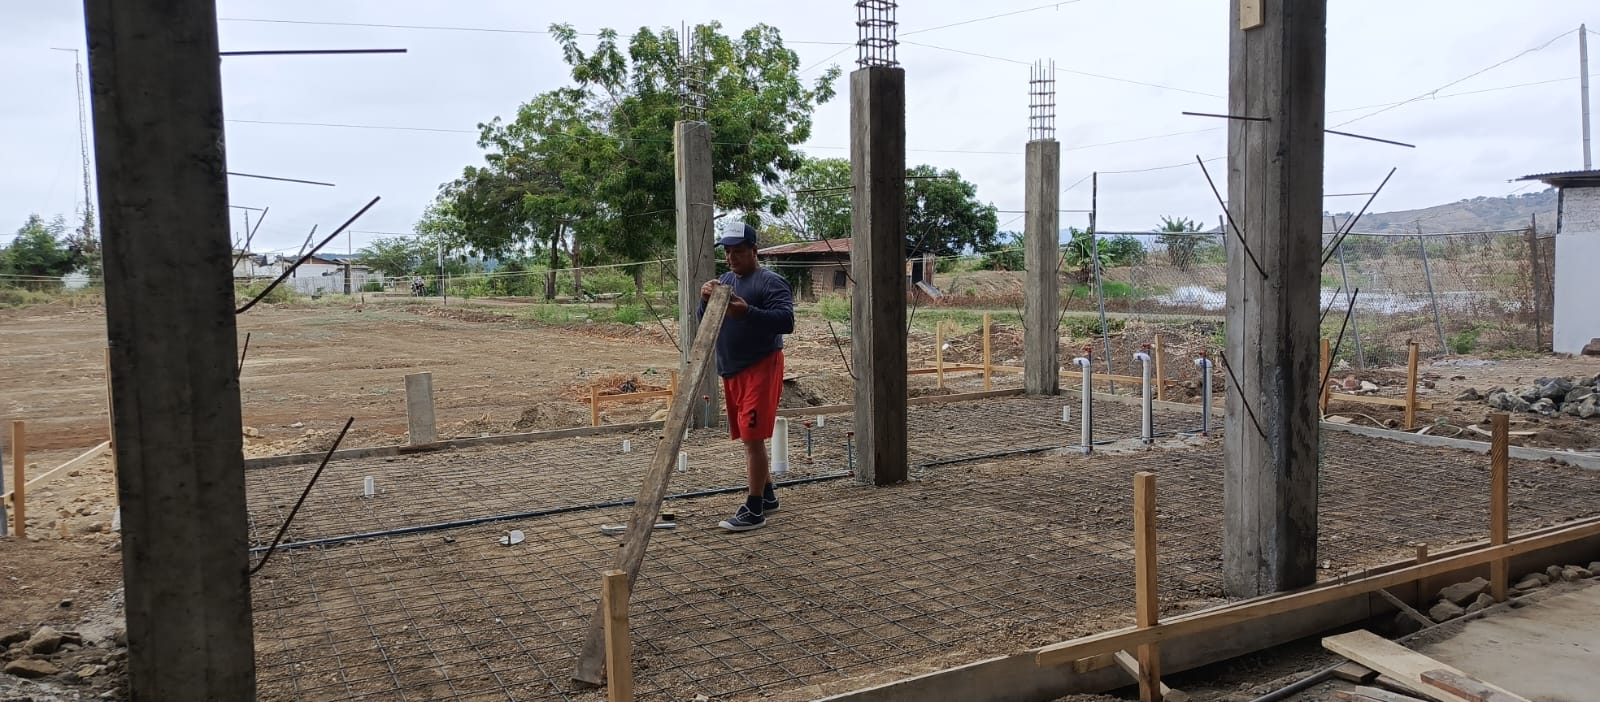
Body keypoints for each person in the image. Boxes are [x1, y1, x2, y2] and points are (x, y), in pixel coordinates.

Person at [699, 221, 795, 531]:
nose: (731, 257)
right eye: (727, 252)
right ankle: (767, 495)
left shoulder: (771, 282)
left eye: (738, 251)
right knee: (747, 436)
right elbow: (705, 322)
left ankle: (754, 509)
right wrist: (704, 301)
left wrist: (748, 312)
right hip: (732, 369)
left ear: (754, 250)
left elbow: (786, 321)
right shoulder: (725, 282)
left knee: (753, 438)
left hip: (761, 365)